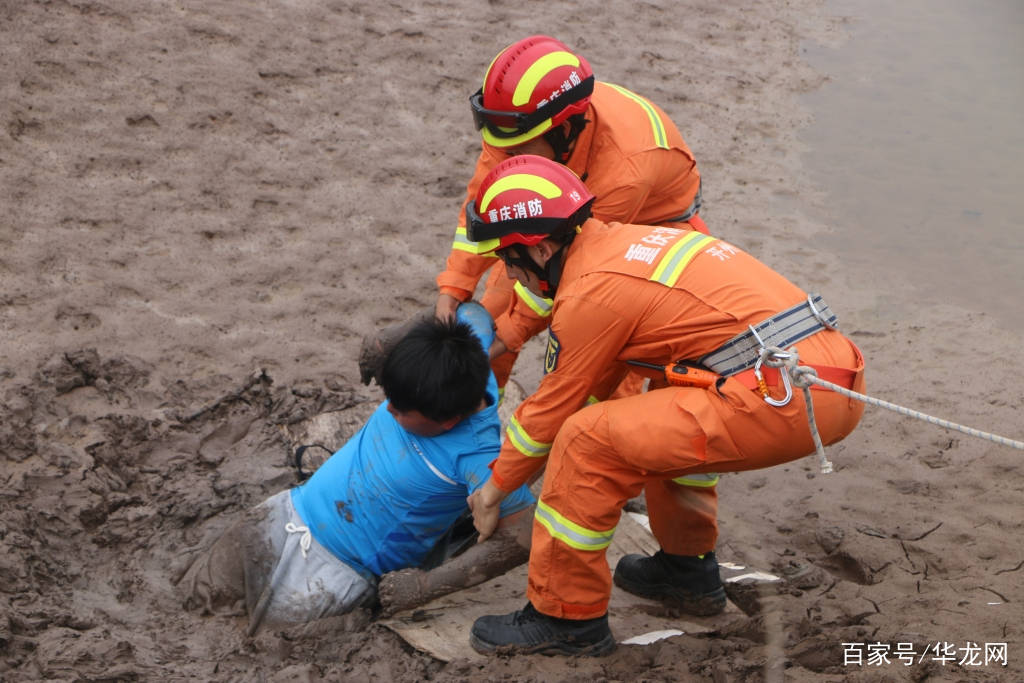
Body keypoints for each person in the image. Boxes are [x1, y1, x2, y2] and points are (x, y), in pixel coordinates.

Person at [462, 156, 866, 656]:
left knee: (586, 441)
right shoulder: (623, 244)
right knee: (660, 412)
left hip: (784, 397)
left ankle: (564, 619)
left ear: (542, 248)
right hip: (831, 377)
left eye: (509, 260)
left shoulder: (590, 292)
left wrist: (493, 489)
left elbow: (554, 409)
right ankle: (686, 571)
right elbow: (590, 385)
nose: (510, 274)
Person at [180, 304, 535, 633]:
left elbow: (524, 535)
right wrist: (398, 335)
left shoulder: (479, 459)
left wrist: (428, 586)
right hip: (283, 513)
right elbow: (472, 310)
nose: (389, 411)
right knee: (193, 596)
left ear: (448, 422)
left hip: (333, 575)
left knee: (264, 644)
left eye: (400, 412)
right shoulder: (463, 356)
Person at [436, 35, 705, 391]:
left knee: (608, 352)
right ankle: (481, 419)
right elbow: (483, 212)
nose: (508, 160)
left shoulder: (623, 171)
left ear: (563, 130)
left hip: (647, 228)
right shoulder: (512, 131)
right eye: (501, 150)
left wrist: (510, 335)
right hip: (572, 195)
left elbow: (563, 266)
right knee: (495, 314)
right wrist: (454, 289)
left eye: (517, 150)